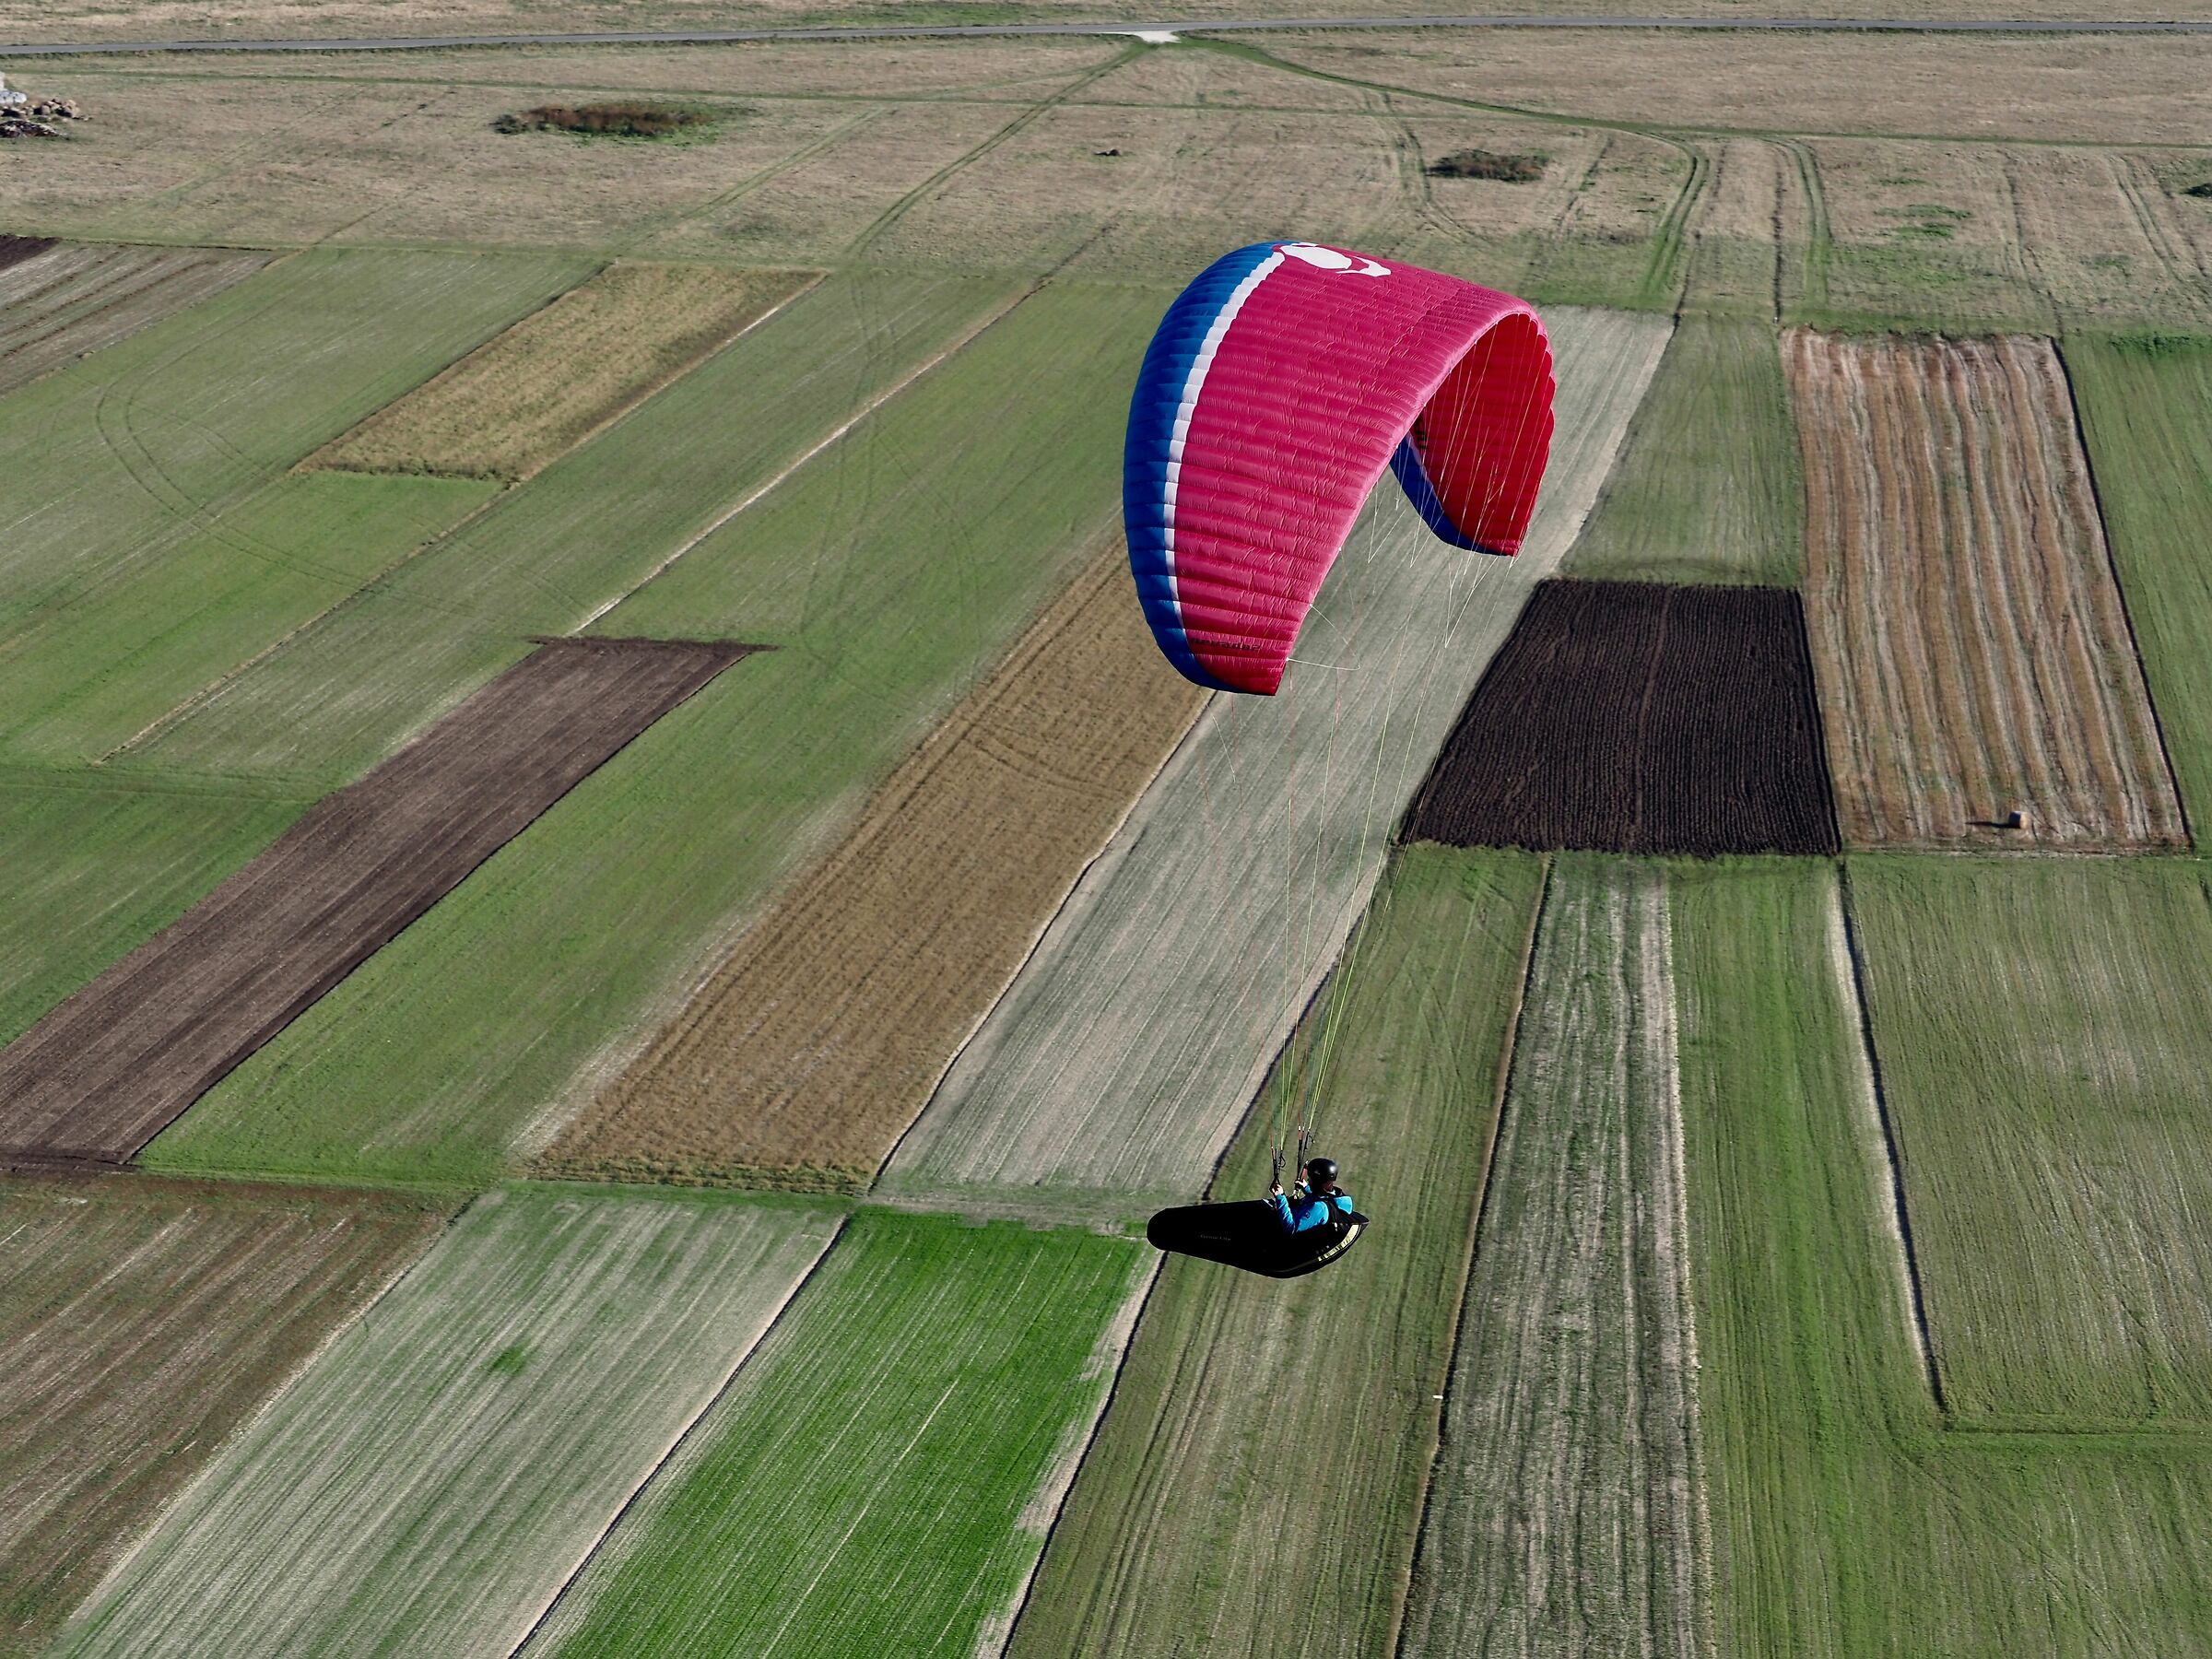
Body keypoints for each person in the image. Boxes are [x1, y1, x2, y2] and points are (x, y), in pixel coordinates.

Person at [1269, 1156, 1354, 1234]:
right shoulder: (1334, 1195)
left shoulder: (1320, 1208)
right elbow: (1321, 1198)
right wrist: (1306, 1188)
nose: (1309, 1180)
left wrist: (1280, 1197)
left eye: (1311, 1179)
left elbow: (1291, 1228)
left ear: (1318, 1182)